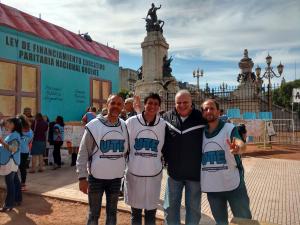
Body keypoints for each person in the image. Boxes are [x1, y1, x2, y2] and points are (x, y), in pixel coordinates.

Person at [76, 94, 128, 225]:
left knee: (112, 214)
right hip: (96, 179)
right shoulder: (94, 126)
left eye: (119, 104)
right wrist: (82, 177)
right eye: (113, 103)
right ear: (107, 105)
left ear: (122, 107)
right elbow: (83, 153)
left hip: (116, 179)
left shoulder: (124, 125)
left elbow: (126, 151)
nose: (116, 106)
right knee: (93, 214)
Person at [201, 99, 252, 225]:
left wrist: (238, 148)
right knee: (220, 222)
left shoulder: (229, 128)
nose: (209, 111)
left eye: (212, 108)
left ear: (218, 111)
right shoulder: (200, 132)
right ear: (202, 113)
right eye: (205, 109)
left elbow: (240, 143)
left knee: (244, 220)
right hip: (213, 187)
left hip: (233, 184)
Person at [163, 90, 206, 225]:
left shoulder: (201, 117)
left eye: (185, 102)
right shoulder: (166, 117)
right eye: (179, 102)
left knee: (193, 210)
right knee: (170, 209)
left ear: (191, 102)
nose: (182, 105)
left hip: (194, 175)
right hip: (174, 173)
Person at [125, 93, 165, 225]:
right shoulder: (131, 122)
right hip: (134, 173)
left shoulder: (163, 124)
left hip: (154, 174)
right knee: (135, 213)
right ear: (144, 104)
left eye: (155, 104)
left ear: (159, 107)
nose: (152, 106)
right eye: (150, 103)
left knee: (151, 214)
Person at [0, 117, 22, 212]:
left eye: (8, 123)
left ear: (14, 124)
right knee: (15, 182)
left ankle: (8, 204)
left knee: (10, 184)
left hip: (10, 162)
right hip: (12, 162)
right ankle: (17, 199)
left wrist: (2, 142)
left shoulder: (14, 135)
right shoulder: (14, 134)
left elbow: (13, 148)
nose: (6, 124)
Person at [18, 115, 34, 191]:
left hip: (18, 151)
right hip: (25, 151)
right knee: (22, 168)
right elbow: (30, 141)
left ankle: (18, 184)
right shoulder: (30, 131)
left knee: (16, 168)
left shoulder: (18, 130)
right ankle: (23, 184)